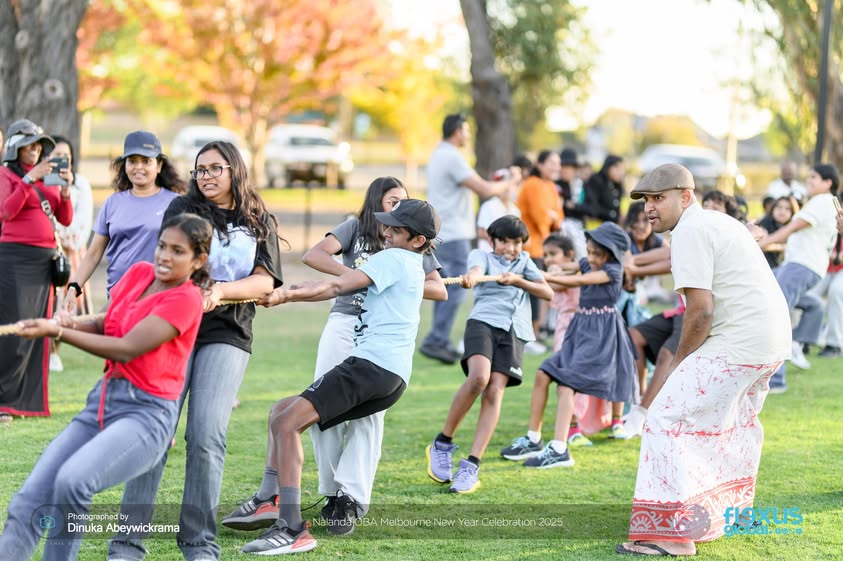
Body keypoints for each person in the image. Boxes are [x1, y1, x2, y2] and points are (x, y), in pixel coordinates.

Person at [221, 178, 446, 535]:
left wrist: (285, 296)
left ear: (418, 240)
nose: (385, 230)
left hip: (371, 366)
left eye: (395, 227)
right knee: (280, 410)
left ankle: (290, 526)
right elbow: (331, 277)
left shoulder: (393, 259)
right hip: (389, 375)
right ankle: (269, 497)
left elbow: (334, 286)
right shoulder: (410, 265)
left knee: (287, 423)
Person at [106, 141, 284, 561]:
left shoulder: (257, 220)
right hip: (173, 328)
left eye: (214, 169)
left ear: (234, 170)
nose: (205, 177)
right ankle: (128, 543)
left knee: (206, 436)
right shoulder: (182, 213)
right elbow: (168, 264)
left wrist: (219, 291)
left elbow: (265, 282)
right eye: (200, 170)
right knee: (156, 430)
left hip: (228, 332)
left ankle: (198, 543)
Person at [0, 213, 209, 561]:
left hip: (147, 416)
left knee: (73, 481)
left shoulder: (187, 299)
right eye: (161, 246)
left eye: (178, 251)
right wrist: (62, 322)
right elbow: (107, 321)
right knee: (28, 501)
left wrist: (59, 333)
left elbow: (126, 346)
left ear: (198, 260)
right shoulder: (140, 274)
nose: (164, 256)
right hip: (102, 402)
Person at [616, 163, 791, 557]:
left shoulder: (692, 231)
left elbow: (700, 313)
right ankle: (728, 513)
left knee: (663, 416)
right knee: (734, 422)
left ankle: (670, 535)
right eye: (646, 200)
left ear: (686, 196)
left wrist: (680, 362)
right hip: (772, 341)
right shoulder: (715, 222)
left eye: (658, 198)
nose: (649, 208)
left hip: (739, 340)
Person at [426, 216, 552, 492]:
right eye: (505, 241)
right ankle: (442, 442)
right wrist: (471, 276)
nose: (511, 247)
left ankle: (471, 466)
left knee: (495, 392)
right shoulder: (481, 254)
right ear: (493, 241)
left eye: (517, 242)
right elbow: (475, 268)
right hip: (482, 323)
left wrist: (519, 281)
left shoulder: (525, 262)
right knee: (479, 379)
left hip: (514, 331)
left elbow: (547, 292)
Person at [502, 222, 636, 469]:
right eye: (590, 251)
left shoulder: (612, 271)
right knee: (543, 374)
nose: (592, 258)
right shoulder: (588, 263)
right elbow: (568, 267)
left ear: (612, 254)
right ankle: (534, 439)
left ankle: (560, 449)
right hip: (580, 330)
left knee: (566, 383)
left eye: (598, 254)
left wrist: (537, 276)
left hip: (600, 335)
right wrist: (539, 265)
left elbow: (578, 281)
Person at [419, 113, 521, 365]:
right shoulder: (451, 156)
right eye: (466, 130)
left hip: (444, 231)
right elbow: (485, 189)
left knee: (446, 285)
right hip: (453, 232)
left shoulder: (439, 154)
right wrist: (511, 181)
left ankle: (439, 339)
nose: (468, 135)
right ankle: (436, 339)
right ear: (456, 131)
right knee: (455, 287)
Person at [64, 131, 185, 308]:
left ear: (159, 166)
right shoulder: (113, 202)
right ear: (124, 165)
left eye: (146, 161)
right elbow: (93, 253)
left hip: (157, 296)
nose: (139, 167)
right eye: (132, 161)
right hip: (117, 296)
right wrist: (74, 287)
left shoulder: (174, 203)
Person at [498, 232, 592, 459]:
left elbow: (556, 285)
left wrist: (527, 277)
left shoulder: (575, 270)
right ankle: (558, 431)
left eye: (553, 254)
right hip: (563, 328)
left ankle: (572, 429)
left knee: (567, 379)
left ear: (569, 254)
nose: (549, 259)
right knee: (554, 377)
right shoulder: (559, 272)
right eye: (546, 255)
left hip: (577, 329)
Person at [0, 119, 70, 421]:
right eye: (30, 144)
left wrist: (65, 193)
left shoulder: (47, 178)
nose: (37, 150)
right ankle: (4, 401)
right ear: (16, 147)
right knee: (15, 330)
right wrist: (28, 180)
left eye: (39, 145)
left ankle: (26, 403)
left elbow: (64, 219)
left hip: (44, 264)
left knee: (39, 331)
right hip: (15, 260)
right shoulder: (6, 175)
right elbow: (6, 210)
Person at [757, 163, 839, 392]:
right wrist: (763, 242)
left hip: (801, 267)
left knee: (777, 315)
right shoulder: (823, 203)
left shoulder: (822, 201)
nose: (809, 180)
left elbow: (791, 228)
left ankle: (777, 380)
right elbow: (790, 237)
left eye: (814, 177)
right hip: (804, 267)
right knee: (768, 292)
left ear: (828, 182)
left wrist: (761, 243)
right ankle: (796, 341)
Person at [48, 135, 94, 372]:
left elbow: (82, 225)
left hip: (69, 253)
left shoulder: (80, 185)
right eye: (56, 156)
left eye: (65, 156)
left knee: (63, 304)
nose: (61, 161)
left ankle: (56, 349)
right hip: (44, 251)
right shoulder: (41, 183)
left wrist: (60, 233)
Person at [516, 150, 563, 353]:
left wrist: (553, 218)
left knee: (540, 291)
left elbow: (559, 216)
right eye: (552, 163)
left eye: (558, 163)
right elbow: (539, 216)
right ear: (540, 164)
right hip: (531, 246)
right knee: (533, 292)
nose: (556, 167)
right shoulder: (533, 184)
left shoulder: (551, 186)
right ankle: (528, 337)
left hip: (543, 246)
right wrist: (551, 219)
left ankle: (534, 334)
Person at [477, 166, 521, 253]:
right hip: (489, 254)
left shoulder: (515, 210)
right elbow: (481, 232)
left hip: (508, 256)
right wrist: (504, 239)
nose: (508, 188)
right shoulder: (489, 206)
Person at [556, 147, 588, 258]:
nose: (564, 170)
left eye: (568, 167)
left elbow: (592, 208)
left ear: (575, 169)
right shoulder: (556, 185)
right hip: (561, 231)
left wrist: (574, 206)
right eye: (562, 167)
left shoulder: (582, 185)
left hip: (580, 229)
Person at [757, 196, 799, 269]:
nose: (782, 211)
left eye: (787, 209)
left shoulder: (795, 228)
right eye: (779, 207)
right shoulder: (764, 224)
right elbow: (761, 246)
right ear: (773, 209)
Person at [583, 154, 624, 224]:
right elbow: (593, 207)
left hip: (611, 225)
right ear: (608, 167)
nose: (621, 172)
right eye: (617, 169)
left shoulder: (616, 185)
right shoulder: (595, 181)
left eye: (622, 169)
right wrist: (614, 215)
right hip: (595, 226)